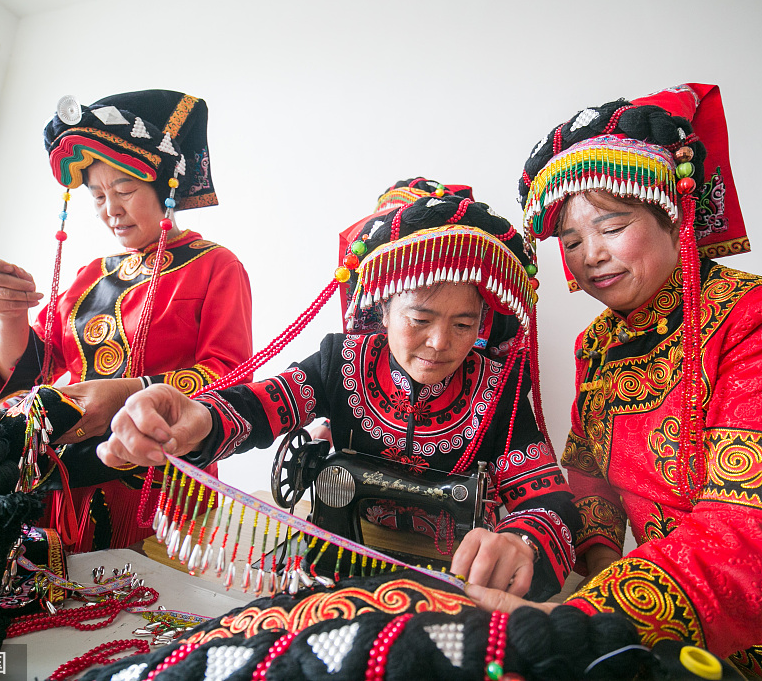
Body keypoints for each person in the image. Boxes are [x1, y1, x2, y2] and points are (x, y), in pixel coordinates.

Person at [465, 83, 762, 677]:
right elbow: (593, 485)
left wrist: (593, 617)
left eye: (613, 226)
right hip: (672, 622)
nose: (590, 254)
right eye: (571, 240)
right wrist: (592, 581)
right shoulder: (596, 345)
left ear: (673, 215)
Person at [101, 193, 579, 599]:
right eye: (420, 318)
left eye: (463, 324)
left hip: (454, 574)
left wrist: (524, 541)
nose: (440, 344)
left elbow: (549, 499)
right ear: (383, 309)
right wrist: (201, 419)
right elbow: (262, 405)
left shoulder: (499, 388)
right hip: (342, 560)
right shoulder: (340, 361)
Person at [0, 90, 253, 552]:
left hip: (163, 484)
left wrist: (129, 391)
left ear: (165, 189)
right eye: (97, 195)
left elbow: (232, 378)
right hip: (69, 478)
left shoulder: (216, 266)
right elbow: (29, 371)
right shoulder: (91, 276)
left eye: (124, 191)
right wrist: (9, 318)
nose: (111, 209)